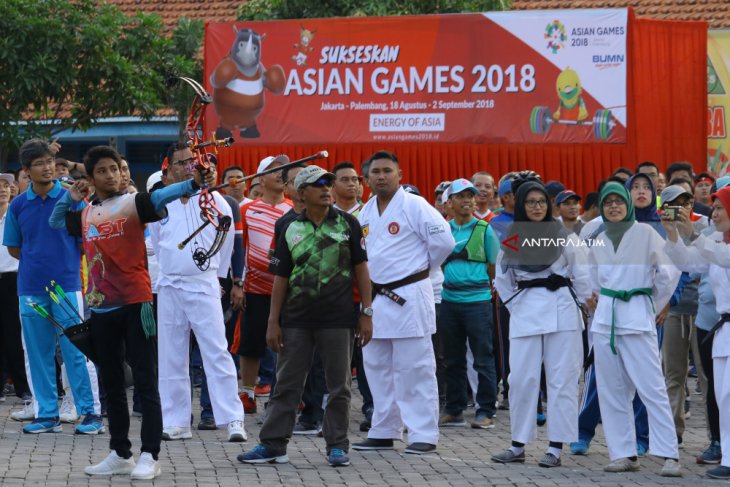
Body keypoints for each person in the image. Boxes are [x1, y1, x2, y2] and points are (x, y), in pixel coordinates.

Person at [49, 145, 201, 479]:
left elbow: (163, 198)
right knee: (112, 382)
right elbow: (55, 220)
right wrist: (71, 196)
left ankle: (150, 454)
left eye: (115, 169)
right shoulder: (86, 213)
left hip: (137, 304)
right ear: (90, 178)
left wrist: (193, 183)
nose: (111, 175)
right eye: (102, 171)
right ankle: (120, 452)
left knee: (146, 381)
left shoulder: (135, 203)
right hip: (101, 309)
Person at [238, 165, 373, 467]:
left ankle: (337, 446)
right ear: (301, 193)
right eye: (318, 184)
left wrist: (367, 312)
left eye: (329, 183)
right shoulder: (288, 226)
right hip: (296, 320)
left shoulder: (348, 224)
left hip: (338, 320)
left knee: (339, 386)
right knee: (287, 384)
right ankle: (273, 445)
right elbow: (281, 278)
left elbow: (362, 270)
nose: (327, 188)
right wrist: (274, 321)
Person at [352, 150, 455, 455]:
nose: (381, 176)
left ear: (400, 174)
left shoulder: (415, 205)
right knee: (377, 366)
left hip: (409, 294)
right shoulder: (364, 212)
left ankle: (423, 432)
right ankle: (384, 430)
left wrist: (421, 271)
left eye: (387, 171)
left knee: (415, 367)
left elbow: (444, 243)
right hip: (375, 298)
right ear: (367, 178)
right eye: (375, 172)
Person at [2, 139, 101, 435]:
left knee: (75, 351)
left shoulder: (74, 199)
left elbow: (87, 244)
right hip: (30, 289)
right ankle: (47, 414)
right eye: (40, 164)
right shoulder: (18, 205)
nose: (48, 168)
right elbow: (15, 249)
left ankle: (90, 413)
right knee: (38, 352)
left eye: (50, 162)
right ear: (26, 171)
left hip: (66, 286)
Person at [491, 178, 591, 468]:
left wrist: (585, 304)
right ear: (520, 205)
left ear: (549, 205)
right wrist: (517, 306)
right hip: (525, 311)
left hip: (561, 308)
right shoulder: (511, 236)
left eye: (541, 202)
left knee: (562, 380)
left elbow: (582, 274)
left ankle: (556, 446)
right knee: (521, 379)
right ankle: (517, 444)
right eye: (530, 202)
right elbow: (503, 279)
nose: (536, 207)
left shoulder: (564, 235)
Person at [149, 143, 245, 443]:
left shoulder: (219, 202)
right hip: (169, 285)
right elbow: (159, 240)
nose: (188, 167)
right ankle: (176, 421)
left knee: (216, 351)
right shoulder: (161, 202)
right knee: (171, 355)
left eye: (193, 162)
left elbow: (226, 246)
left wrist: (216, 280)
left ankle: (232, 419)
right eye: (181, 163)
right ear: (168, 170)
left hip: (203, 283)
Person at [588, 182, 681, 476]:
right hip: (606, 319)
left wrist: (651, 304)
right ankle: (624, 452)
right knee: (611, 390)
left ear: (628, 204)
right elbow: (590, 277)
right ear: (602, 207)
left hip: (638, 317)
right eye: (608, 203)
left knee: (651, 386)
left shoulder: (645, 233)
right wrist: (593, 298)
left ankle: (669, 454)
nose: (613, 207)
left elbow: (668, 273)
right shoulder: (597, 237)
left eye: (618, 201)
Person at [663, 186, 730, 480]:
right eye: (713, 208)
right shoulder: (714, 239)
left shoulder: (716, 243)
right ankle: (728, 455)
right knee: (724, 396)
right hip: (722, 328)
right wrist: (674, 233)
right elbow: (689, 263)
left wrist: (692, 231)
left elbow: (723, 257)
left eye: (720, 208)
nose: (714, 214)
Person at [437, 179, 499, 429]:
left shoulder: (485, 229)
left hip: (477, 303)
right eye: (461, 197)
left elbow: (493, 267)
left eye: (470, 196)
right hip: (449, 301)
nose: (467, 201)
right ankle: (454, 409)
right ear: (448, 203)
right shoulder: (442, 229)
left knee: (483, 358)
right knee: (452, 358)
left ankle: (486, 410)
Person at [238, 155, 293, 413]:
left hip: (288, 290)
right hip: (254, 289)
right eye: (274, 170)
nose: (281, 174)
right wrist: (239, 283)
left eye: (284, 170)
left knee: (288, 343)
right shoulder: (247, 210)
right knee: (251, 345)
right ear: (260, 178)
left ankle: (283, 393)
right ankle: (247, 394)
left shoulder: (293, 210)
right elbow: (240, 249)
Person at [0, 173, 31, 408]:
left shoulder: (16, 213)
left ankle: (23, 388)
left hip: (14, 278)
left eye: (6, 186)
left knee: (15, 334)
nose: (3, 190)